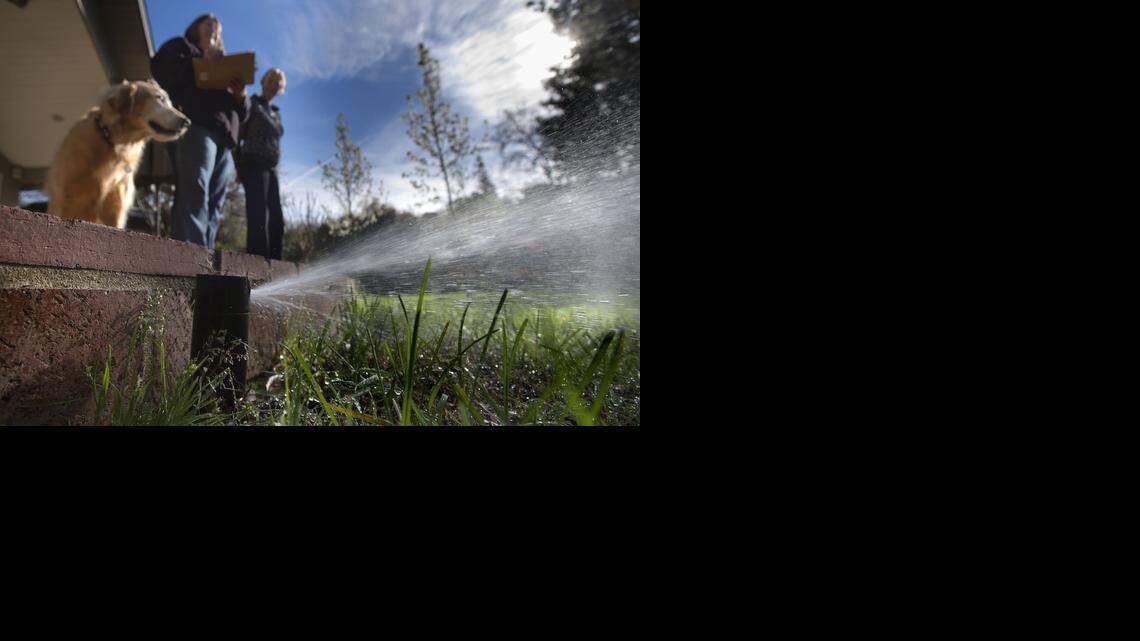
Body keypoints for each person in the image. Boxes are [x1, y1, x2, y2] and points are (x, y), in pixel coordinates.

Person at [150, 13, 250, 249]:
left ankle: (206, 258)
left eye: (217, 27)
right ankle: (187, 259)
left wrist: (240, 95)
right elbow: (161, 69)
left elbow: (243, 114)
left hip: (226, 140)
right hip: (197, 127)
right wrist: (201, 62)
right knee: (194, 192)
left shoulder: (226, 64)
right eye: (208, 24)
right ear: (196, 27)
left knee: (215, 204)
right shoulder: (182, 47)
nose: (213, 29)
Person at [238, 68, 287, 259]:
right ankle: (256, 262)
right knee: (258, 214)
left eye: (278, 83)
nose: (274, 85)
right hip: (253, 163)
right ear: (263, 81)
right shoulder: (252, 104)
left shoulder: (276, 113)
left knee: (277, 217)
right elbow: (239, 135)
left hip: (271, 167)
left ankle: (275, 263)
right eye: (271, 80)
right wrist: (238, 166)